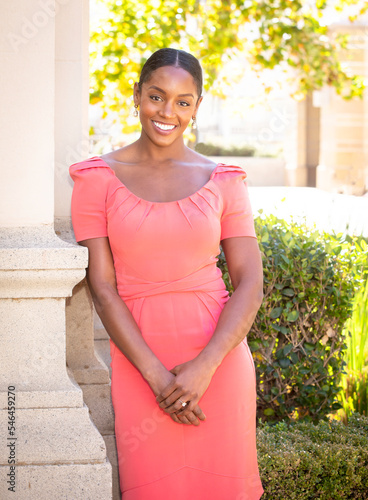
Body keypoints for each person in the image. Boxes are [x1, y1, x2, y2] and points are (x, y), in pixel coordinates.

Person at [70, 47, 264, 500]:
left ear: (197, 106)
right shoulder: (96, 178)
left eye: (183, 101)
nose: (167, 112)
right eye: (156, 96)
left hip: (219, 363)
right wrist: (159, 379)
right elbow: (102, 288)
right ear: (136, 95)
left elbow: (250, 283)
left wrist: (203, 368)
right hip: (142, 367)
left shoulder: (225, 180)